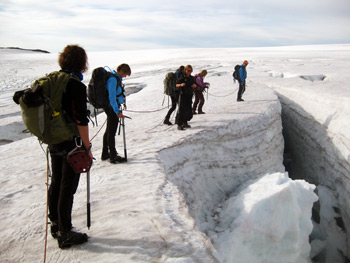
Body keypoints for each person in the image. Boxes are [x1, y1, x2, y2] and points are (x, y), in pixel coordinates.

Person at [48, 45, 92, 249]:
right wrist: (87, 146)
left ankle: (56, 224)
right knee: (68, 186)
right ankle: (65, 231)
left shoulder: (52, 81)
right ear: (81, 62)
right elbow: (81, 120)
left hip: (53, 139)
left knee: (57, 181)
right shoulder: (75, 85)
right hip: (71, 142)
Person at [101, 63, 131, 163]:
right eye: (125, 74)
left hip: (111, 107)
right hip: (112, 108)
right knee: (111, 131)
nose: (125, 76)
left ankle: (105, 153)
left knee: (109, 130)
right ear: (122, 71)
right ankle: (113, 156)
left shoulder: (114, 78)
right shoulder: (113, 80)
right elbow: (112, 97)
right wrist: (117, 111)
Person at [175, 65, 197, 130]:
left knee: (188, 110)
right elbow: (176, 84)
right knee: (182, 110)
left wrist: (195, 86)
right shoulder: (182, 77)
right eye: (188, 70)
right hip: (183, 95)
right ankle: (179, 124)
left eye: (190, 70)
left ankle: (185, 122)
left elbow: (195, 85)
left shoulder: (191, 78)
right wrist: (180, 85)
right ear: (185, 70)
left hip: (189, 95)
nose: (189, 72)